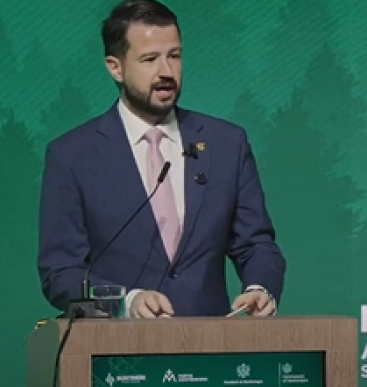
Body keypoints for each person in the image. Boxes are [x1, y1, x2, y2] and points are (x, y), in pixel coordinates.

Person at [37, 0, 286, 318]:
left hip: (210, 341)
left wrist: (259, 288)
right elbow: (60, 273)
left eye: (174, 56)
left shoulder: (226, 144)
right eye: (150, 59)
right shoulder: (72, 155)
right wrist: (126, 302)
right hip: (119, 343)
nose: (166, 72)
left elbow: (256, 244)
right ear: (115, 67)